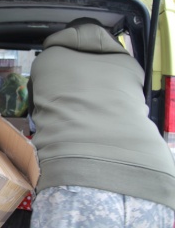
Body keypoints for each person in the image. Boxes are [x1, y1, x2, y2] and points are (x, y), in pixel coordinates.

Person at [27, 17, 175, 227]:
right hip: (157, 181)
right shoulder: (132, 65)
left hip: (77, 177)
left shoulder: (45, 60)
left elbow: (33, 116)